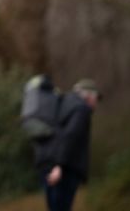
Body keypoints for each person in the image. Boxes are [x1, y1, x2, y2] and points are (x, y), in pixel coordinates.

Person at [34, 78, 101, 211]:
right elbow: (71, 136)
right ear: (88, 95)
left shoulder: (61, 102)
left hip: (45, 163)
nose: (97, 102)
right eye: (96, 98)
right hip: (63, 169)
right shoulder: (81, 109)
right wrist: (59, 166)